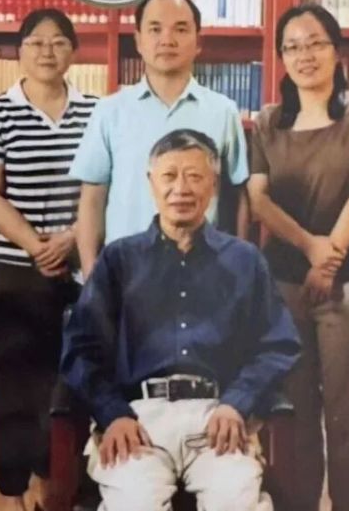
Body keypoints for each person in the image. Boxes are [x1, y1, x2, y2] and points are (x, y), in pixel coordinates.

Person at [61, 129, 300, 511]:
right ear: (151, 183)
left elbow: (278, 344)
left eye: (194, 176)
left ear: (214, 185)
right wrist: (112, 413)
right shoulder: (119, 259)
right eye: (169, 176)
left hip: (218, 417)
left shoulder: (245, 261)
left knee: (236, 502)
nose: (181, 189)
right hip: (137, 419)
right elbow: (80, 349)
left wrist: (237, 403)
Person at [248, 3, 349, 511]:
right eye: (292, 46)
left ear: (336, 50)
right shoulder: (267, 121)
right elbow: (259, 198)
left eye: (315, 43)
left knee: (347, 411)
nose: (304, 55)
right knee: (294, 407)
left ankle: (347, 503)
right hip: (284, 282)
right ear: (281, 57)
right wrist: (312, 249)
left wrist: (329, 261)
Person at [0, 8, 98, 511]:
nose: (48, 51)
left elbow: (99, 189)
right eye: (36, 42)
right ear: (20, 51)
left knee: (68, 385)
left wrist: (68, 240)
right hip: (12, 269)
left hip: (78, 265)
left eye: (59, 41)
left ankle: (56, 482)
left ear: (73, 52)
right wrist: (36, 245)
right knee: (13, 386)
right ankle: (13, 492)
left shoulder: (96, 111)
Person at [69, 0, 249, 274]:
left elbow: (237, 197)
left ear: (198, 41)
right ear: (138, 41)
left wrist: (238, 270)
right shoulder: (109, 111)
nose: (167, 39)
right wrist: (93, 276)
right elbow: (92, 199)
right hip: (125, 273)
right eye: (155, 29)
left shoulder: (223, 111)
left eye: (180, 29)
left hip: (203, 274)